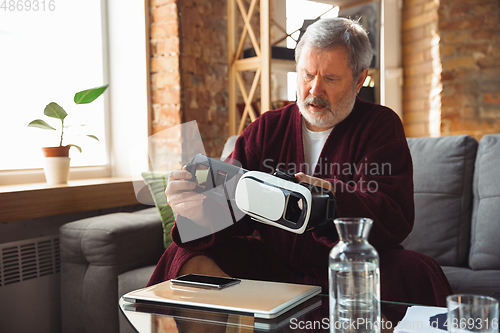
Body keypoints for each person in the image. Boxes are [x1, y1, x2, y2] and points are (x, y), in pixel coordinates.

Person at [148, 17, 453, 323]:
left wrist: (329, 200)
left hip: (349, 266)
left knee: (417, 271)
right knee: (183, 256)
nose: (314, 89)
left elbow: (392, 213)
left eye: (331, 79)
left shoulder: (380, 126)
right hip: (275, 267)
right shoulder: (267, 128)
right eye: (307, 74)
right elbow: (232, 196)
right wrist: (199, 212)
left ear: (360, 80)